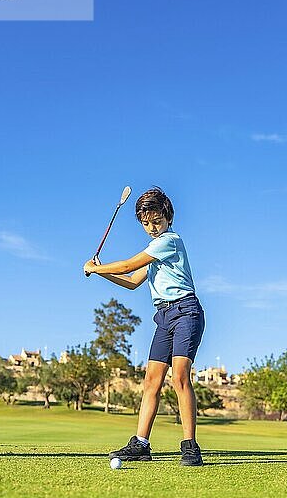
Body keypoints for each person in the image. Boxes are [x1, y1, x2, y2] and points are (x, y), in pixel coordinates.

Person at [84, 187, 205, 466]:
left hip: (186, 311)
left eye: (157, 221)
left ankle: (190, 446)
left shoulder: (169, 241)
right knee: (151, 380)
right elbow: (130, 280)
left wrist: (95, 269)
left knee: (180, 377)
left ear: (168, 217)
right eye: (146, 223)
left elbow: (126, 265)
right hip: (163, 316)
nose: (152, 228)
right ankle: (141, 444)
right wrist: (102, 273)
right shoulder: (155, 252)